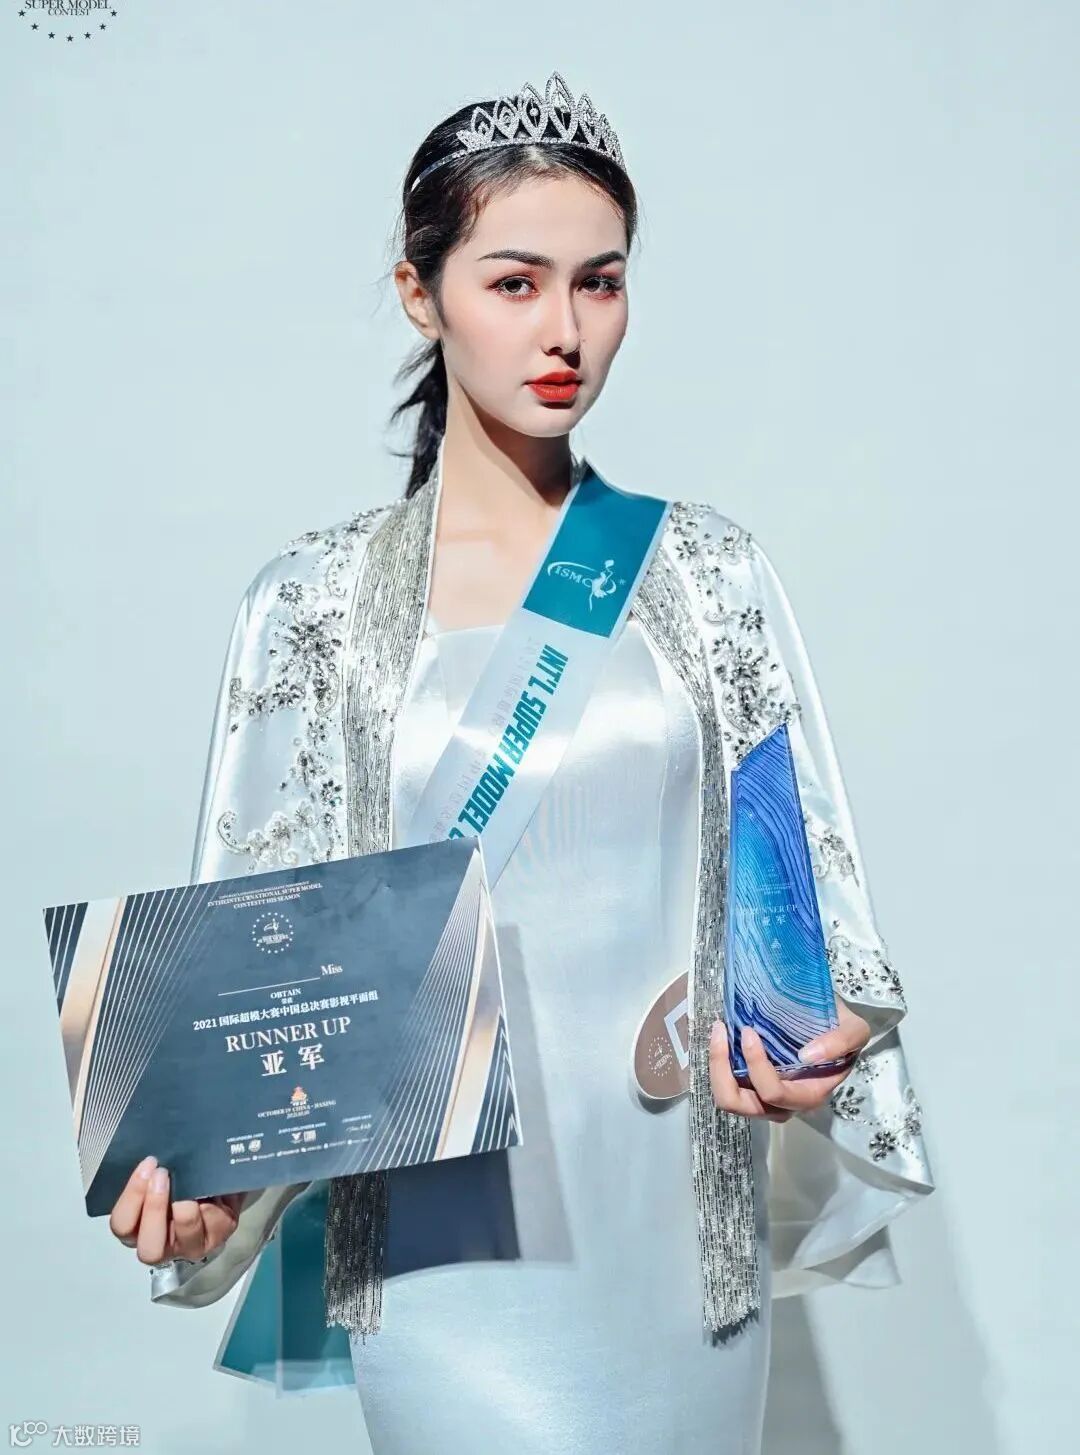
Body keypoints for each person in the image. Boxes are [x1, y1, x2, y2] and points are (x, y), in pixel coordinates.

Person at [107, 71, 934, 1452]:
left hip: (673, 1226)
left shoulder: (708, 574)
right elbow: (259, 962)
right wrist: (210, 1175)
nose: (565, 331)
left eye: (600, 283)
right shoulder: (314, 605)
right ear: (420, 293)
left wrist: (817, 1035)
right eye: (514, 282)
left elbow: (807, 910)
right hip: (444, 1241)